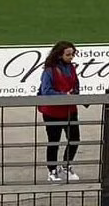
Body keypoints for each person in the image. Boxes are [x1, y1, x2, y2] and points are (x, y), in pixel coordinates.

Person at [37, 41, 82, 183]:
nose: (71, 57)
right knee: (54, 141)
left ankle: (66, 165)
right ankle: (52, 170)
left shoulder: (71, 68)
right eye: (68, 54)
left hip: (70, 110)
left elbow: (76, 84)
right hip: (53, 112)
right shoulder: (49, 71)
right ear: (59, 55)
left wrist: (75, 93)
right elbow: (46, 91)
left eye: (72, 54)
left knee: (74, 139)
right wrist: (64, 95)